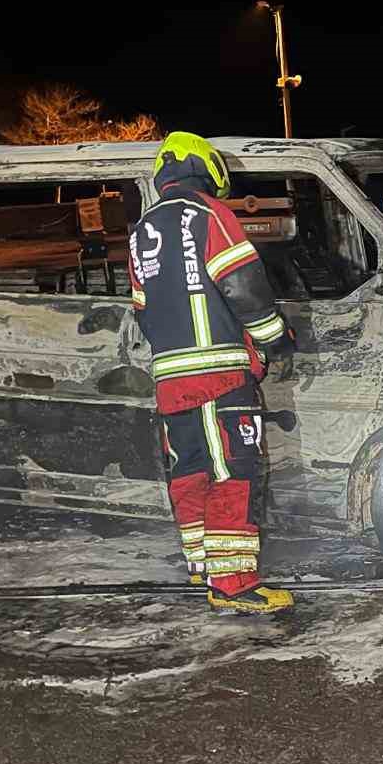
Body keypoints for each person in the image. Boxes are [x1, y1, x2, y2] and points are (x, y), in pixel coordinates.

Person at [129, 132, 296, 613]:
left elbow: (142, 309)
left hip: (171, 381)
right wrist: (274, 339)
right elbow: (244, 286)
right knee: (233, 472)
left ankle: (207, 571)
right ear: (206, 169)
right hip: (219, 378)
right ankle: (234, 585)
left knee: (192, 473)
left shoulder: (142, 230)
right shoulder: (208, 215)